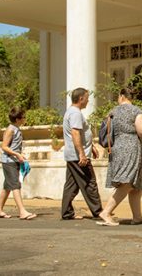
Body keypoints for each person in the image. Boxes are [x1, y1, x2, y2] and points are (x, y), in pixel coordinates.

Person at [98, 87, 142, 226]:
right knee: (127, 182)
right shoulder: (136, 111)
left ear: (121, 96)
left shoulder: (112, 112)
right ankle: (106, 212)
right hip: (131, 148)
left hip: (117, 148)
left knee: (136, 185)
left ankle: (137, 216)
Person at [60, 87, 103, 220]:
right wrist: (82, 154)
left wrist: (92, 147)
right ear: (81, 99)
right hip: (77, 155)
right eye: (87, 98)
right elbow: (75, 133)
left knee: (71, 185)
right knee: (89, 182)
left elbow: (82, 134)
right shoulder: (75, 113)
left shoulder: (71, 112)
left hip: (73, 155)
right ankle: (98, 211)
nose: (88, 100)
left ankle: (67, 212)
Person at [0, 107, 37, 220]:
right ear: (18, 119)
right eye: (23, 117)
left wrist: (20, 155)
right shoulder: (11, 129)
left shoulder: (17, 129)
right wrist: (17, 154)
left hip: (14, 160)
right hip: (8, 161)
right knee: (15, 185)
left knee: (8, 186)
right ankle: (22, 211)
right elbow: (4, 147)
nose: (25, 119)